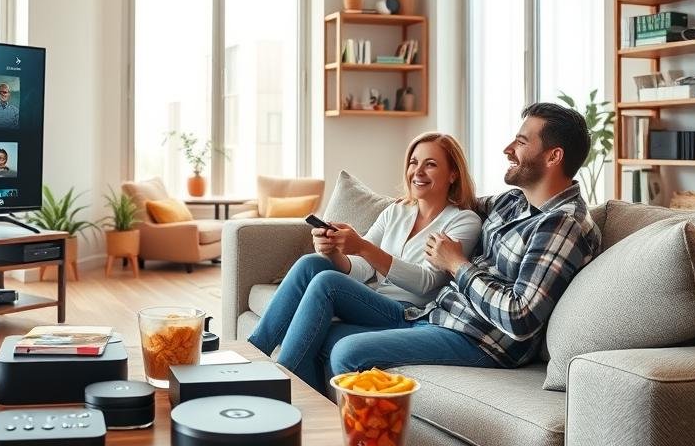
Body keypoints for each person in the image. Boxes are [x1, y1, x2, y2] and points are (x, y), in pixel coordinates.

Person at [286, 103, 601, 396]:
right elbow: (450, 201)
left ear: (553, 156)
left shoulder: (562, 224)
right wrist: (408, 203)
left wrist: (458, 265)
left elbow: (519, 318)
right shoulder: (514, 201)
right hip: (439, 316)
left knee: (346, 351)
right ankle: (296, 413)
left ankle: (358, 445)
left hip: (481, 340)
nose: (507, 149)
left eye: (520, 142)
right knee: (323, 333)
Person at [248, 132, 482, 391]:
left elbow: (426, 282)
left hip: (411, 313)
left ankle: (278, 384)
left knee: (328, 283)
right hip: (376, 302)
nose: (418, 171)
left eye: (431, 164)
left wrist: (363, 247)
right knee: (312, 264)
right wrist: (334, 251)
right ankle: (251, 355)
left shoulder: (463, 221)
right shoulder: (397, 211)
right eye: (413, 162)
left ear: (453, 174)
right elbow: (361, 269)